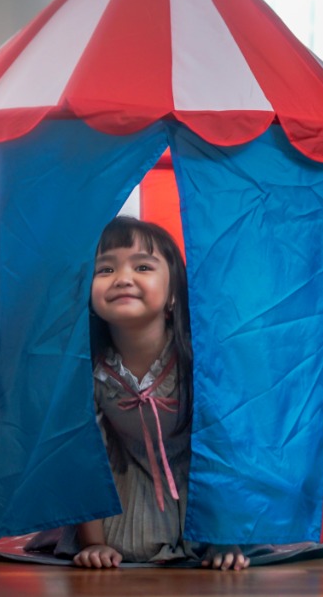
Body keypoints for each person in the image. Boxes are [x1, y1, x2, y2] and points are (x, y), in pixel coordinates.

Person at [72, 215, 249, 571]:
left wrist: (225, 537)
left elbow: (225, 447)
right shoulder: (89, 370)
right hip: (128, 484)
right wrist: (94, 543)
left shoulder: (200, 361)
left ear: (173, 296)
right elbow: (87, 458)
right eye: (105, 269)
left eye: (142, 266)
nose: (123, 278)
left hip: (205, 489)